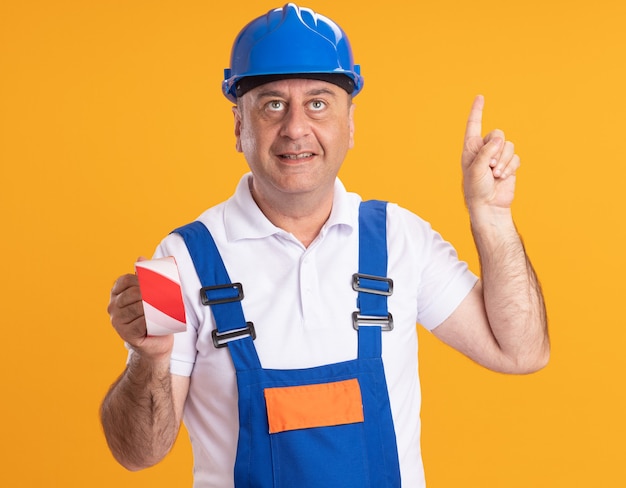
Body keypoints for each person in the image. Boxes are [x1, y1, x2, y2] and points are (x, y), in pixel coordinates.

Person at [101, 3, 549, 487]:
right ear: (238, 126)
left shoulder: (400, 238)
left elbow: (521, 353)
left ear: (350, 124)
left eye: (318, 102)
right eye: (273, 104)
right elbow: (137, 454)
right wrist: (150, 358)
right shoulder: (180, 260)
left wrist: (492, 217)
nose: (295, 128)